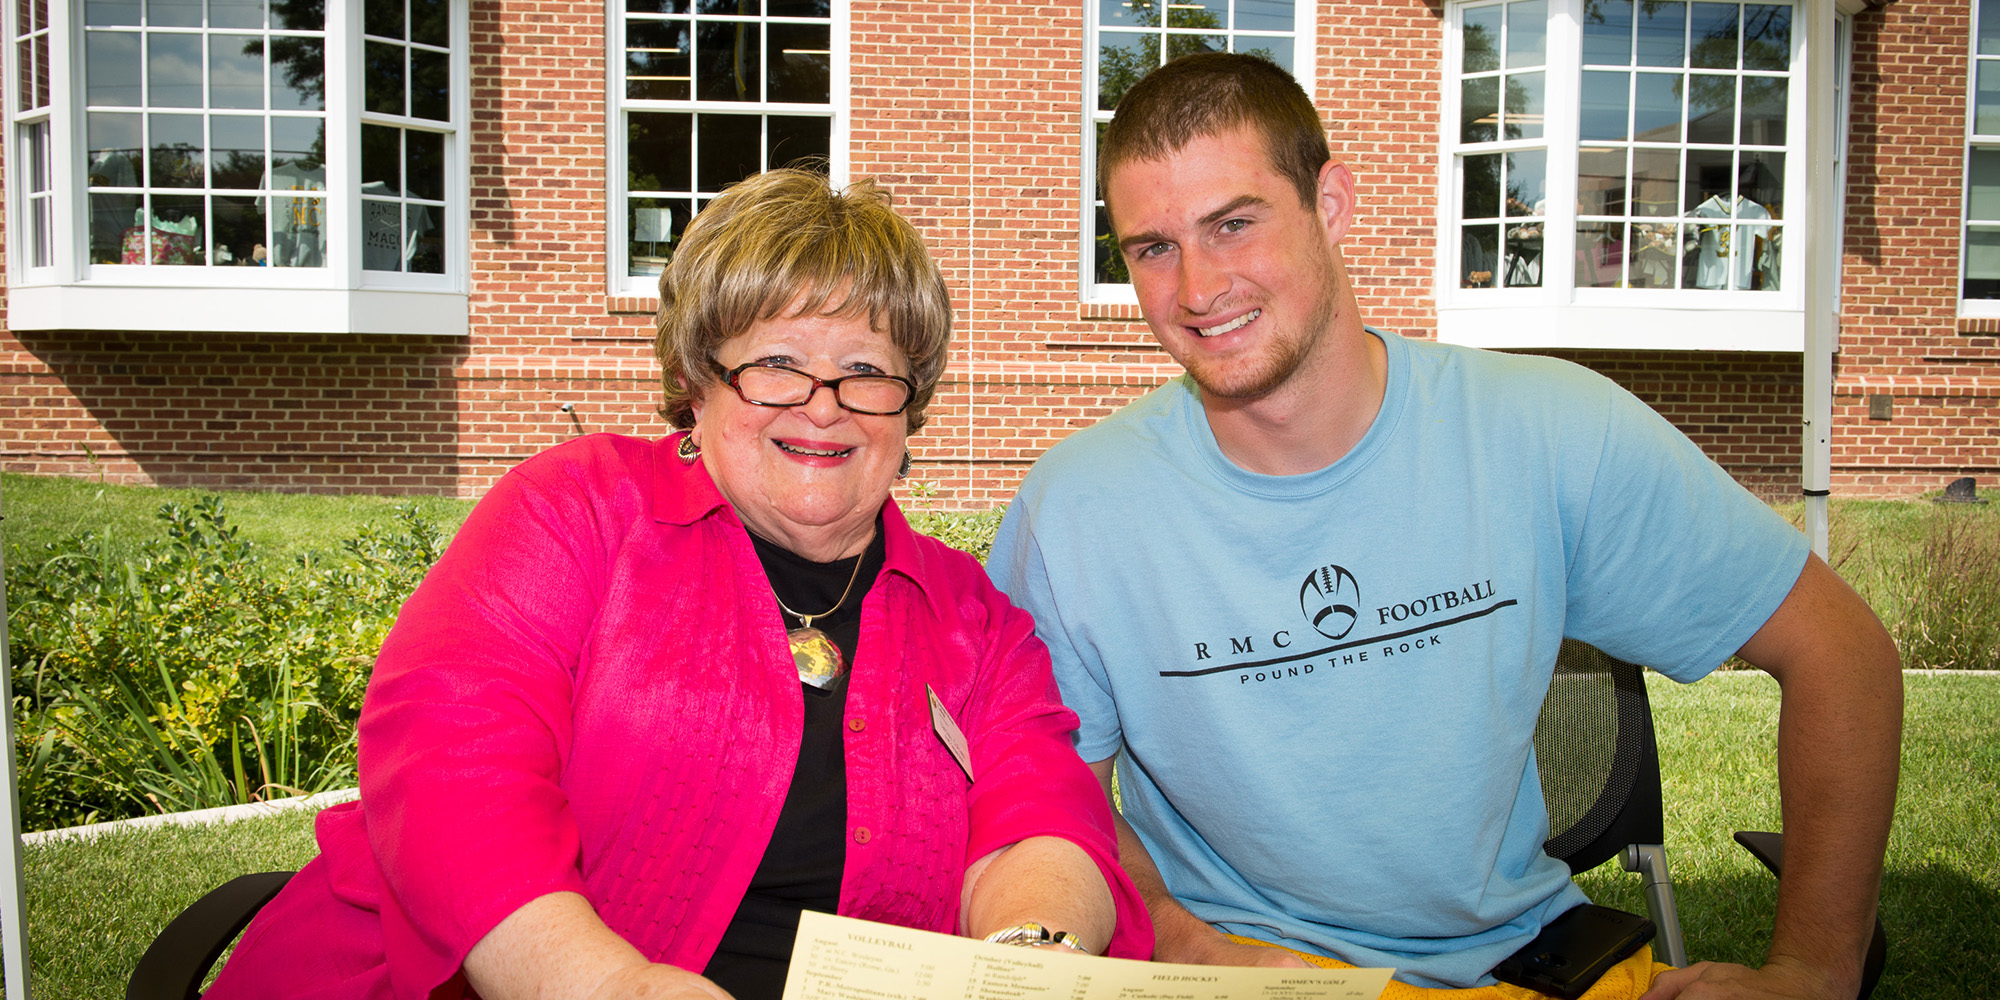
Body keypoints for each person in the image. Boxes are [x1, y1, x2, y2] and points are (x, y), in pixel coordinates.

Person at [986, 53, 1900, 1000]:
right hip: (1240, 969)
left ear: (1331, 204)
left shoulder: (1545, 431)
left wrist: (1812, 970)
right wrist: (1201, 952)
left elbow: (1840, 650)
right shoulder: (1078, 513)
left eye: (1234, 224)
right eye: (1152, 248)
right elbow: (1047, 802)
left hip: (1523, 963)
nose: (1197, 287)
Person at [205, 168, 1151, 1000]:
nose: (823, 406)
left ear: (911, 403)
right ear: (699, 380)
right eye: (777, 364)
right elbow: (454, 767)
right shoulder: (580, 511)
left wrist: (1030, 962)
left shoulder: (972, 618)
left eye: (866, 371)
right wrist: (605, 986)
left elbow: (1042, 820)